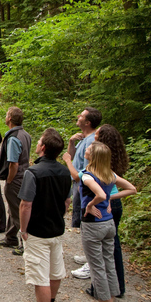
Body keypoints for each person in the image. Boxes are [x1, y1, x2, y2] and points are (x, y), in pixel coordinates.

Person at [64, 142, 136, 302]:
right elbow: (131, 189)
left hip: (94, 226)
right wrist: (108, 199)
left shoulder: (88, 176)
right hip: (108, 223)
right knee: (109, 265)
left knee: (97, 269)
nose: (86, 149)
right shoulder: (109, 174)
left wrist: (90, 205)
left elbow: (100, 195)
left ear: (93, 156)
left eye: (88, 150)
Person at [19, 128, 73, 302]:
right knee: (54, 270)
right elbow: (67, 201)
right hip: (56, 230)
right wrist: (59, 216)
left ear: (42, 147)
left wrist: (23, 229)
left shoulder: (33, 172)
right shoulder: (65, 171)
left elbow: (26, 204)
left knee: (40, 275)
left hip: (38, 231)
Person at [86, 124, 132, 299]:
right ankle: (117, 286)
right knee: (113, 247)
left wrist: (107, 199)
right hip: (113, 202)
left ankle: (102, 290)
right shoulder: (115, 157)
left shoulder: (103, 159)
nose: (94, 137)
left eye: (97, 135)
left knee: (102, 250)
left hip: (106, 204)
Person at [67, 107, 102, 279]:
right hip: (79, 185)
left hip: (86, 187)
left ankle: (91, 263)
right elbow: (73, 158)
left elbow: (88, 169)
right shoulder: (83, 139)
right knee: (82, 220)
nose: (78, 117)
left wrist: (70, 167)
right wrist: (71, 142)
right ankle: (88, 256)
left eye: (81, 115)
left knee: (88, 222)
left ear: (87, 122)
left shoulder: (91, 142)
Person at [0, 106, 31, 255]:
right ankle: (10, 237)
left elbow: (14, 163)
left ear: (9, 119)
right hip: (25, 176)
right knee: (13, 208)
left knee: (16, 210)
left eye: (7, 114)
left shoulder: (13, 138)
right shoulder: (25, 134)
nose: (6, 116)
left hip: (16, 178)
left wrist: (9, 180)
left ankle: (24, 243)